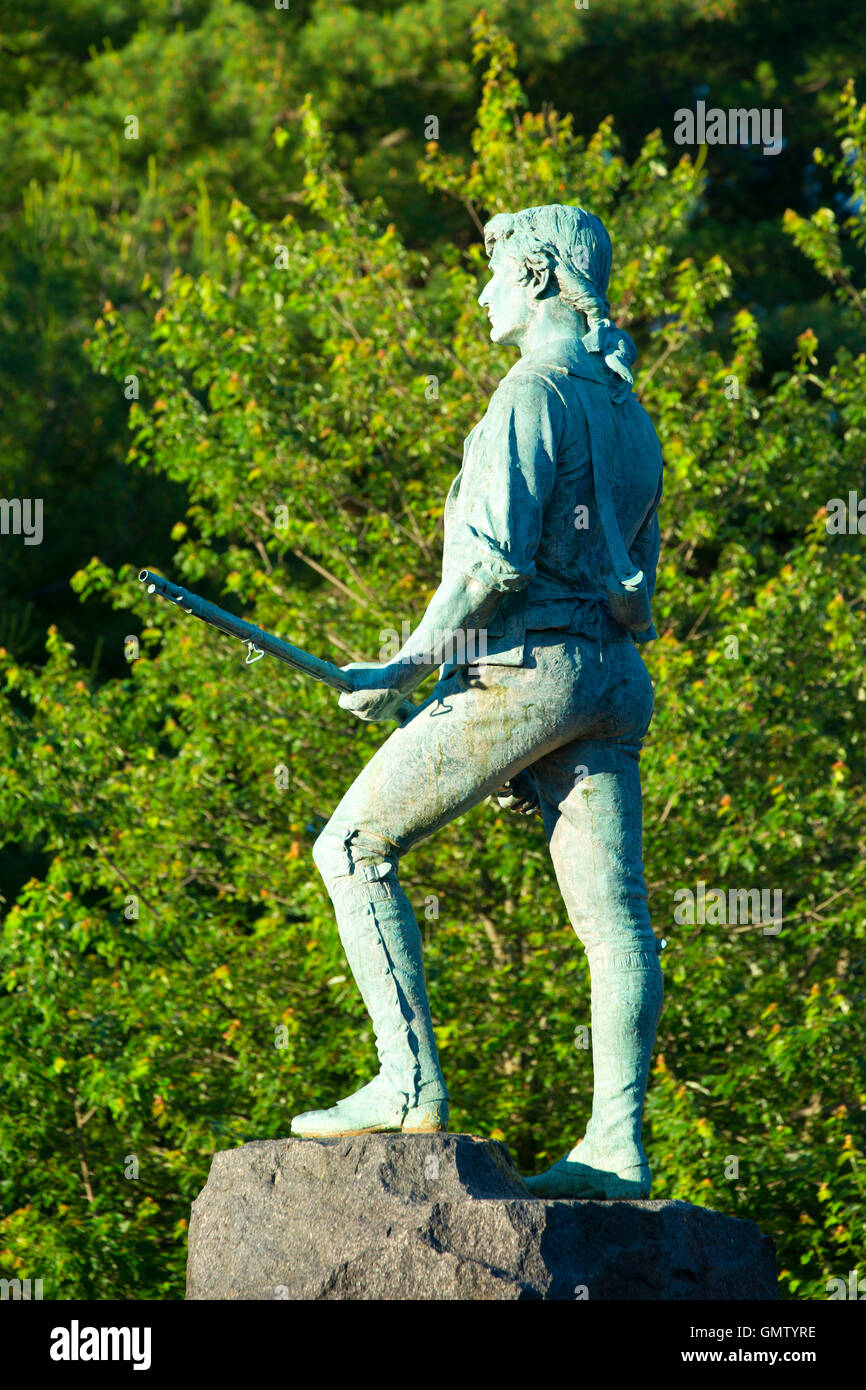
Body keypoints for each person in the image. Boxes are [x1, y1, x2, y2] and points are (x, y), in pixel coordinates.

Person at [290, 204, 666, 1200]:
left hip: (525, 672)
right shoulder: (627, 407)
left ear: (538, 275)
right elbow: (640, 585)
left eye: (494, 272)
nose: (481, 291)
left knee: (350, 848)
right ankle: (614, 1144)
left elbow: (489, 566)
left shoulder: (528, 394)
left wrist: (402, 668)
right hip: (610, 682)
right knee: (614, 916)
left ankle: (407, 1084)